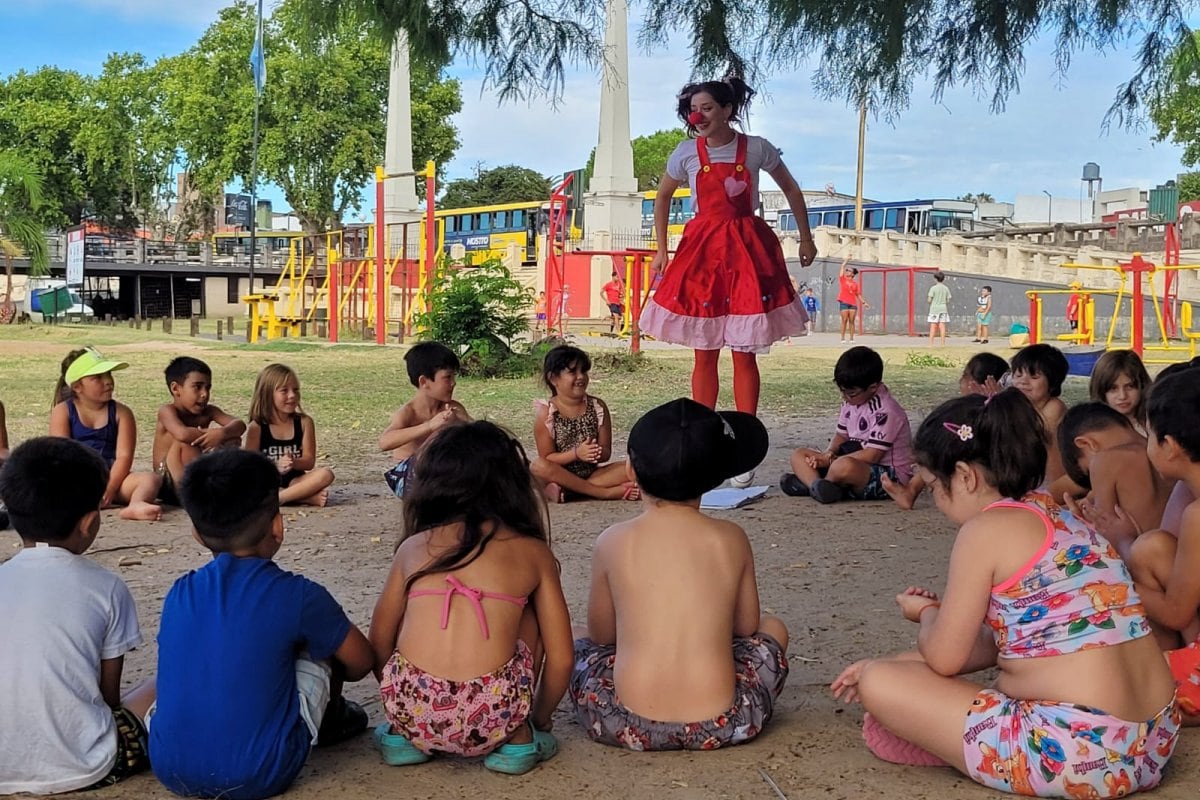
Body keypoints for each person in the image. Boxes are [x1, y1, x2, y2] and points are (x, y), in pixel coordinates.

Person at [830, 390, 1180, 797]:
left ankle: (954, 742)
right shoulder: (1062, 516)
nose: (938, 503)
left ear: (965, 476)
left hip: (1077, 754)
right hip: (1153, 741)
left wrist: (926, 614)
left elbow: (945, 658)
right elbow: (1002, 646)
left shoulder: (984, 530)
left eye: (933, 488)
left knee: (879, 681)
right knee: (898, 665)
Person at [150, 449, 374, 799]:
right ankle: (333, 719)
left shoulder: (180, 592)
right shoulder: (300, 595)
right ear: (277, 525)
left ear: (195, 532)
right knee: (318, 647)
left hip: (169, 766)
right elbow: (361, 662)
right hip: (264, 772)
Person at [571, 398, 789, 750]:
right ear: (716, 476)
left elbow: (601, 634)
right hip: (725, 722)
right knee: (774, 626)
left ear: (630, 470)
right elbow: (747, 628)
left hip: (623, 720)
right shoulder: (730, 539)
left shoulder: (612, 541)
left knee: (573, 634)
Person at [370, 421, 573, 773]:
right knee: (528, 614)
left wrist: (402, 707)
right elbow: (562, 658)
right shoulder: (532, 553)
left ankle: (403, 740)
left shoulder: (412, 549)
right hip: (497, 715)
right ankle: (519, 741)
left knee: (415, 609)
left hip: (413, 710)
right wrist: (537, 718)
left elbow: (380, 642)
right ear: (513, 484)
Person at [639, 76, 812, 436]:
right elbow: (662, 197)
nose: (698, 116)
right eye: (692, 110)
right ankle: (706, 437)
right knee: (705, 348)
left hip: (747, 252)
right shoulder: (686, 153)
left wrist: (806, 239)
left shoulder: (756, 148)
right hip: (703, 254)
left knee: (744, 350)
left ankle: (745, 436)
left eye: (706, 108)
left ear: (727, 110)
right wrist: (661, 250)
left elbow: (791, 189)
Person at [0, 437, 156, 794]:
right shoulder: (106, 587)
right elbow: (109, 698)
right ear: (88, 523)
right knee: (160, 687)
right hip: (85, 764)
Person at [1119, 372, 1200, 720]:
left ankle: (1179, 677)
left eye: (1148, 436)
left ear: (1171, 445)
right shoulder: (1188, 495)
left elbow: (1175, 612)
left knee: (1116, 683)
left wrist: (1110, 582)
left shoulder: (1198, 514)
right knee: (1152, 548)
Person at [780, 346, 914, 504]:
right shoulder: (851, 403)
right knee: (799, 454)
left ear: (873, 387)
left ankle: (816, 484)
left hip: (888, 474)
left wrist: (831, 461)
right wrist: (828, 453)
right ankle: (817, 485)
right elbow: (841, 435)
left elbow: (872, 455)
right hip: (849, 459)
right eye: (842, 392)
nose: (845, 397)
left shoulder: (886, 411)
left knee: (843, 466)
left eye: (850, 393)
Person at [881, 352, 1009, 510]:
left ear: (975, 384)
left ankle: (913, 490)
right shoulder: (967, 409)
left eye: (964, 376)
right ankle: (911, 490)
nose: (960, 382)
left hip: (990, 468)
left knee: (937, 448)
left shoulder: (995, 411)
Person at [49, 348, 162, 521]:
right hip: (77, 480)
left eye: (108, 374)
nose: (108, 381)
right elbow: (62, 456)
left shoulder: (122, 413)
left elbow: (124, 457)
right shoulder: (62, 411)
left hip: (114, 480)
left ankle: (136, 504)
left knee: (150, 480)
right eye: (98, 377)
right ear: (77, 386)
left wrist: (109, 488)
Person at [1057, 402, 1174, 560]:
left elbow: (1107, 540)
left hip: (1144, 567)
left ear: (1086, 443)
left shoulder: (1104, 461)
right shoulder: (1162, 450)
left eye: (1088, 472)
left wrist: (1080, 523)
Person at [530, 345, 640, 502]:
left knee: (634, 468)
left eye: (584, 371)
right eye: (573, 372)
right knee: (538, 466)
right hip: (557, 474)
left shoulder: (598, 407)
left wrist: (596, 453)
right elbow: (547, 458)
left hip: (592, 474)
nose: (581, 377)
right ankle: (604, 493)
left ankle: (571, 492)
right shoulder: (546, 413)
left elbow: (606, 452)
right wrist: (576, 453)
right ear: (553, 378)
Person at [378, 342, 470, 499]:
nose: (453, 382)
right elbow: (384, 442)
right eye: (447, 377)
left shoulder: (453, 408)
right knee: (438, 437)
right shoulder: (409, 412)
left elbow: (482, 436)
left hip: (440, 475)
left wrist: (460, 425)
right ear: (424, 382)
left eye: (454, 376)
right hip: (408, 477)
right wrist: (429, 426)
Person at [152, 356, 247, 506]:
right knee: (186, 442)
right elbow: (182, 434)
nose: (204, 394)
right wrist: (212, 437)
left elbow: (239, 425)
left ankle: (213, 488)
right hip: (169, 482)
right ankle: (197, 494)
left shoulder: (209, 411)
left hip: (195, 469)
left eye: (208, 387)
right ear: (176, 388)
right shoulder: (167, 411)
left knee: (232, 439)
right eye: (197, 387)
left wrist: (222, 434)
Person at [245, 363, 335, 507]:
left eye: (295, 390)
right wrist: (275, 466)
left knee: (326, 474)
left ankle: (277, 499)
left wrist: (294, 462)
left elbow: (309, 461)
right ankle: (304, 498)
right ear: (267, 393)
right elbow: (248, 466)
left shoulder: (305, 422)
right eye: (284, 391)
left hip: (295, 481)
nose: (292, 395)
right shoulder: (257, 427)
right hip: (266, 482)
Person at [1010, 343, 1069, 486]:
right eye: (1018, 375)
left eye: (1034, 377)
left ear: (1053, 383)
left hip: (1053, 485)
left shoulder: (1054, 407)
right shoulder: (1017, 406)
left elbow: (1034, 437)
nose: (1023, 381)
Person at [1089, 349, 1151, 436]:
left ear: (1142, 385)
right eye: (1113, 389)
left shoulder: (1154, 425)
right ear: (1101, 390)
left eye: (1130, 387)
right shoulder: (1092, 430)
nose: (1122, 396)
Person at [837, 258, 868, 342]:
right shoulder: (843, 279)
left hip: (853, 304)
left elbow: (858, 294)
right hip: (844, 302)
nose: (847, 271)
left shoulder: (855, 284)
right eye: (847, 270)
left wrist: (864, 303)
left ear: (853, 274)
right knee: (844, 320)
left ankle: (851, 338)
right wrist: (847, 260)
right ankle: (842, 338)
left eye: (849, 271)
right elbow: (842, 266)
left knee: (852, 321)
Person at [926, 272, 951, 347]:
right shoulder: (946, 288)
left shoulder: (933, 288)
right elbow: (948, 299)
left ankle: (930, 344)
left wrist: (932, 301)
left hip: (934, 308)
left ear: (935, 279)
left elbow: (929, 299)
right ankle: (942, 344)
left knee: (933, 325)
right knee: (942, 326)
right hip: (943, 308)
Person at [601, 270, 624, 334]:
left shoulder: (618, 285)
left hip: (617, 302)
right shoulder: (608, 284)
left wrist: (621, 298)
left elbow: (619, 293)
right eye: (617, 277)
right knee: (616, 316)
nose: (618, 278)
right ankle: (618, 331)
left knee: (619, 317)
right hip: (611, 302)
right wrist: (606, 300)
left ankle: (607, 316)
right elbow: (601, 292)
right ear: (613, 277)